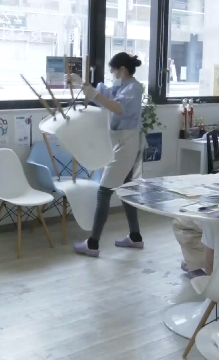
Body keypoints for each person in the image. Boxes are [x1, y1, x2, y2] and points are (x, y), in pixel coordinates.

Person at [65, 52, 145, 257]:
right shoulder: (120, 87)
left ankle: (93, 243)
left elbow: (117, 107)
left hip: (127, 143)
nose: (111, 75)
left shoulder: (134, 88)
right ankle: (135, 237)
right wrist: (81, 84)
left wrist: (92, 93)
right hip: (120, 141)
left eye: (113, 71)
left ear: (122, 70)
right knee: (126, 190)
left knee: (104, 192)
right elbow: (104, 94)